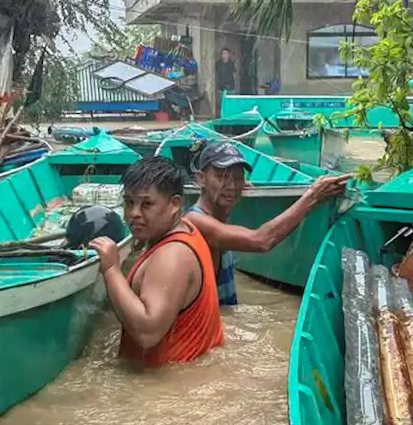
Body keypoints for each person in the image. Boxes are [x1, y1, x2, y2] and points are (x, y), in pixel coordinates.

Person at [89, 156, 225, 367]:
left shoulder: (173, 255)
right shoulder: (186, 229)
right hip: (190, 374)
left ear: (174, 204)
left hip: (168, 386)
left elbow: (147, 333)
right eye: (129, 202)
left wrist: (111, 269)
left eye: (147, 204)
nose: (133, 213)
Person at [185, 141, 351, 307]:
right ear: (201, 178)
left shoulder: (219, 212)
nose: (232, 185)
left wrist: (236, 191)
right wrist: (312, 197)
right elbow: (261, 241)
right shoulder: (196, 221)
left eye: (238, 177)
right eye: (223, 177)